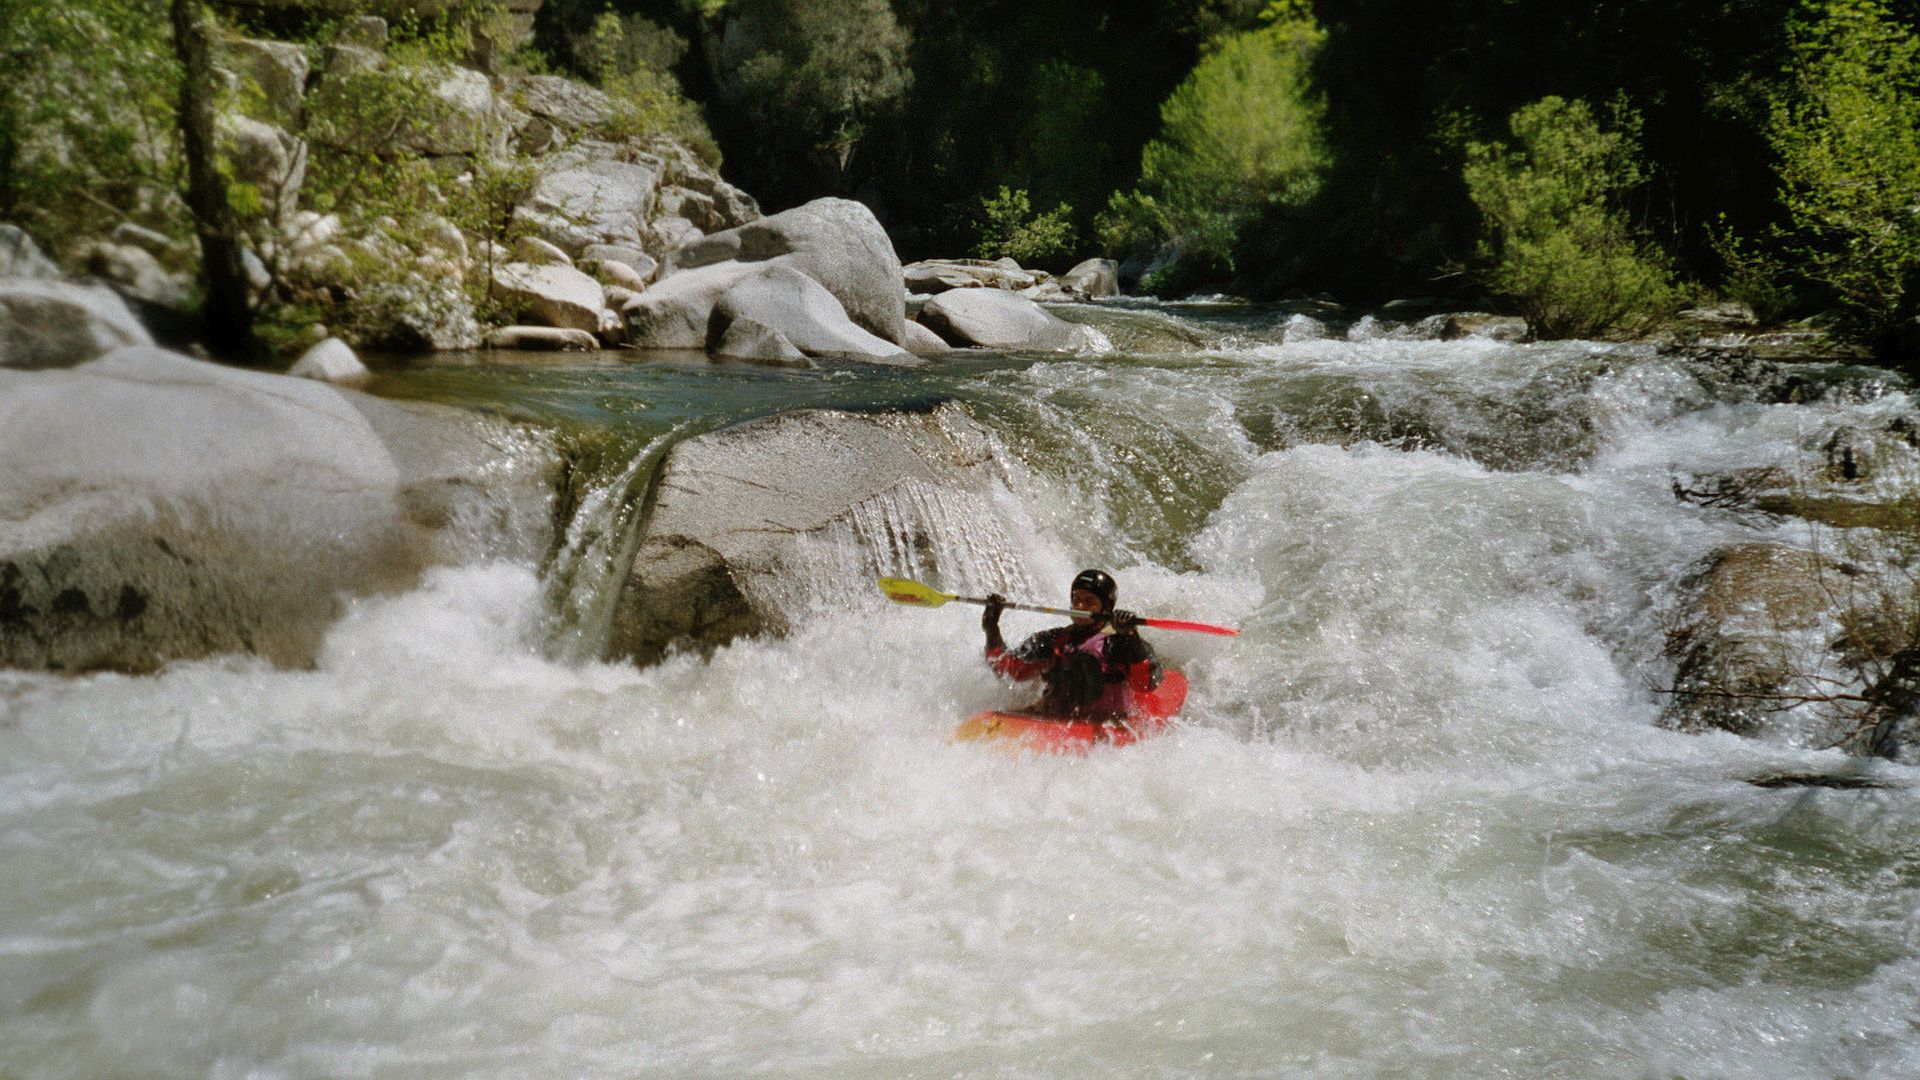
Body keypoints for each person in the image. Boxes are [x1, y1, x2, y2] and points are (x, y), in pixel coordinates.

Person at [982, 569, 1160, 721]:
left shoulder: (1119, 642)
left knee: (1085, 660)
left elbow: (1146, 685)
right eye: (1076, 599)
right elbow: (1009, 670)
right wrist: (992, 629)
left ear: (1105, 608)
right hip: (1054, 717)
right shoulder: (1052, 639)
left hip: (1105, 722)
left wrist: (1131, 635)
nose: (1080, 605)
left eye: (1089, 601)